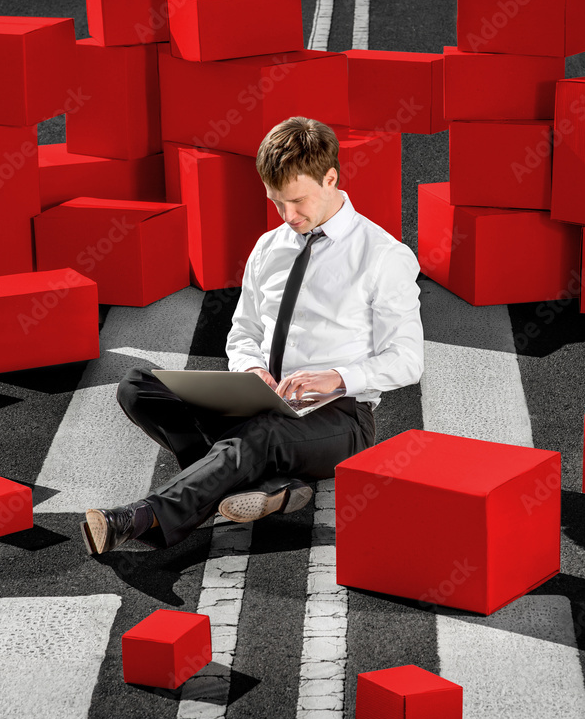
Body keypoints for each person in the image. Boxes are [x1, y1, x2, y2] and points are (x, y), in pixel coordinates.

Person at [80, 116, 424, 556]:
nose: (289, 216)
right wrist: (251, 369)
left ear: (331, 177)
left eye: (298, 201)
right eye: (278, 203)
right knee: (137, 386)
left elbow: (408, 359)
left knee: (262, 434)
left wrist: (335, 377)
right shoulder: (269, 247)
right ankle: (258, 484)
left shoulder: (384, 255)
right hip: (261, 398)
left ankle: (144, 518)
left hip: (340, 417)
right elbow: (243, 331)